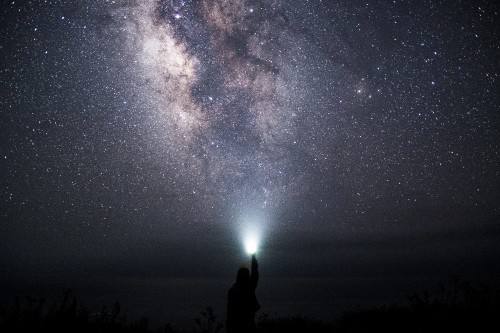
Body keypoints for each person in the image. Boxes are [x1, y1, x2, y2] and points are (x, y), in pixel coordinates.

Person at [226, 255, 260, 333]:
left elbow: (229, 311)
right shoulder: (249, 288)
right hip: (247, 324)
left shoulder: (232, 290)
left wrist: (228, 326)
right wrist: (254, 260)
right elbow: (255, 276)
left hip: (237, 325)